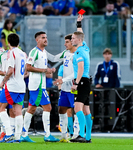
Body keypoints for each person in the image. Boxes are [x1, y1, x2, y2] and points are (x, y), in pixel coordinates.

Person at [54, 14, 92, 143]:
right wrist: (79, 24)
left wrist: (76, 83)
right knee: (86, 110)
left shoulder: (79, 52)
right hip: (87, 80)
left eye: (74, 38)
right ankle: (88, 137)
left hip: (82, 80)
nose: (72, 38)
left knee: (77, 108)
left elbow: (80, 68)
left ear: (78, 40)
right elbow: (81, 34)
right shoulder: (85, 47)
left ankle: (81, 134)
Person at [21, 31, 59, 143]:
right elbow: (28, 67)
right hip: (37, 86)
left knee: (31, 109)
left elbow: (51, 61)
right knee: (48, 108)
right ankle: (47, 134)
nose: (45, 39)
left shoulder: (44, 52)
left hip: (37, 85)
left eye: (46, 37)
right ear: (37, 40)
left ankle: (24, 134)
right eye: (43, 37)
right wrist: (44, 70)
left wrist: (49, 70)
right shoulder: (34, 52)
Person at [46, 33, 80, 142]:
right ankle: (64, 135)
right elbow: (54, 58)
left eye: (67, 42)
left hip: (75, 87)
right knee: (61, 109)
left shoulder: (78, 55)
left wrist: (63, 80)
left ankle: (76, 134)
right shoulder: (66, 53)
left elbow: (77, 73)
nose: (64, 44)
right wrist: (42, 50)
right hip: (65, 88)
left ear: (73, 42)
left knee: (77, 111)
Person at [0, 33, 27, 143]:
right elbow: (25, 71)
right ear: (18, 42)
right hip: (21, 85)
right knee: (17, 110)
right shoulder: (23, 53)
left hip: (11, 86)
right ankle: (18, 137)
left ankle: (9, 134)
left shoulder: (11, 53)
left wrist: (3, 81)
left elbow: (10, 70)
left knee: (0, 108)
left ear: (8, 43)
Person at [0, 48, 16, 142]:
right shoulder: (1, 55)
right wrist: (4, 73)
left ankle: (10, 132)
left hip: (12, 85)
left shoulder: (18, 54)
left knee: (12, 110)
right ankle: (4, 131)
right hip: (3, 86)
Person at [57, 64, 80, 139]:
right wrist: (60, 88)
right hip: (64, 90)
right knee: (64, 110)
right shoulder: (62, 66)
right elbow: (60, 77)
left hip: (74, 90)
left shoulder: (76, 64)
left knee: (77, 110)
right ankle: (68, 133)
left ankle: (76, 134)